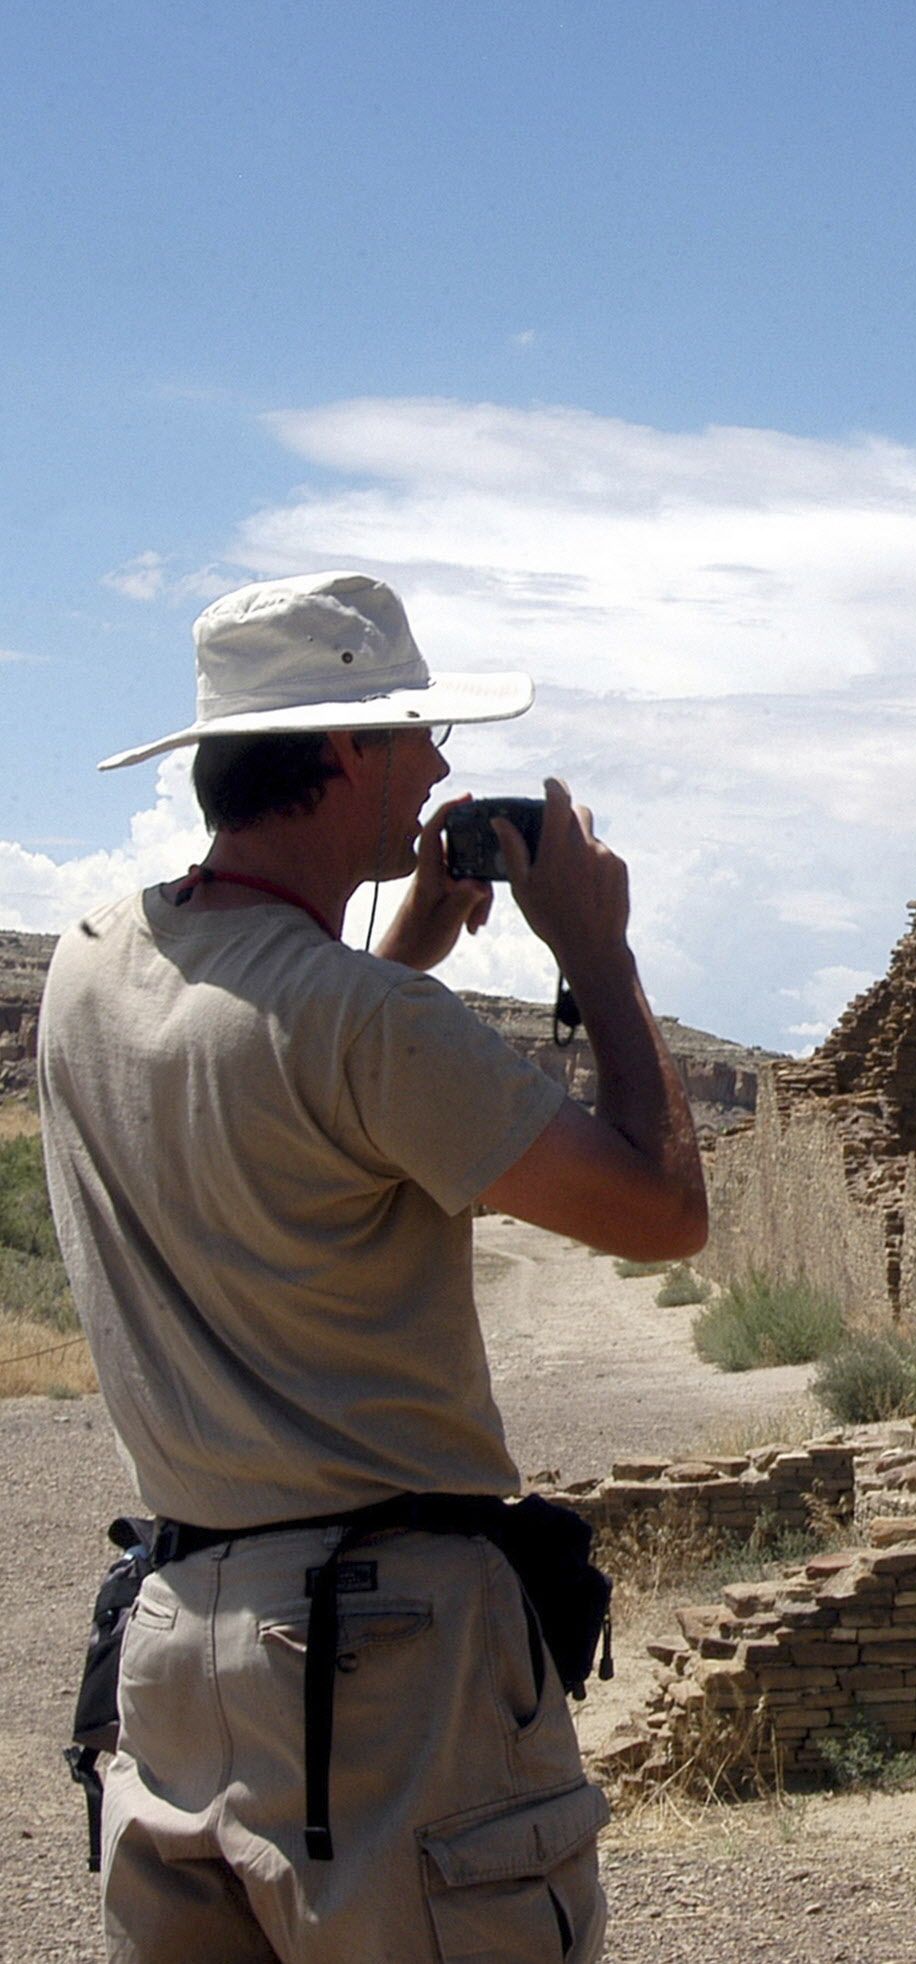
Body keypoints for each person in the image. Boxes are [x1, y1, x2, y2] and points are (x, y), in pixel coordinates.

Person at [38, 570, 706, 1962]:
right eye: (414, 732)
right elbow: (659, 1212)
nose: (443, 765)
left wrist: (413, 940)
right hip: (385, 1660)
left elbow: (283, 1069)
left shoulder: (91, 970)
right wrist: (598, 949)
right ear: (340, 748)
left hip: (176, 1640)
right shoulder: (370, 1030)